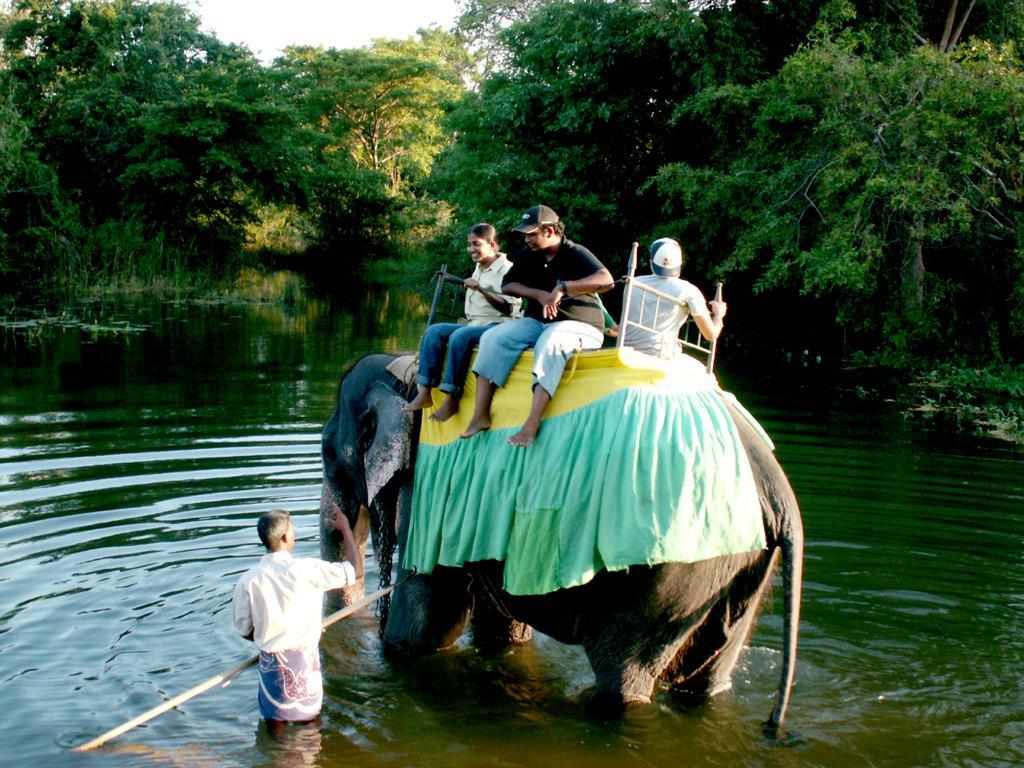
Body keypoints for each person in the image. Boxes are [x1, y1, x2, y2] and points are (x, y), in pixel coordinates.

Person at [461, 204, 614, 447]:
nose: (528, 239)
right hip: (537, 321)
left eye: (533, 234)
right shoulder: (527, 254)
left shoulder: (574, 251)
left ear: (550, 231)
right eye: (526, 234)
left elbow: (606, 280)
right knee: (492, 338)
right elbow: (508, 286)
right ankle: (481, 415)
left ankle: (531, 424)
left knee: (550, 341)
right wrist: (540, 295)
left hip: (579, 324)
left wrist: (563, 288)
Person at [232, 504, 364, 724]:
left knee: (275, 727)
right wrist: (346, 530)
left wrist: (268, 634)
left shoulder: (248, 579)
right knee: (311, 725)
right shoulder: (309, 570)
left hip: (271, 668)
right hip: (305, 665)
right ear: (285, 537)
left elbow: (244, 629)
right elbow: (356, 571)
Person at [403, 223, 522, 422]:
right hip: (474, 323)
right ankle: (424, 393)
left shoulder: (507, 269)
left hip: (498, 326)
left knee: (460, 336)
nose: (471, 249)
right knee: (434, 331)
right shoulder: (480, 266)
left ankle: (452, 398)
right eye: (468, 245)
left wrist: (481, 289)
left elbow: (509, 308)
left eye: (476, 244)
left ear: (492, 245)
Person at [621, 237, 726, 358]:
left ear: (651, 262)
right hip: (662, 354)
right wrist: (718, 316)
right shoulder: (688, 290)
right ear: (680, 263)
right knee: (708, 374)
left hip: (626, 349)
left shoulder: (632, 283)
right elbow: (711, 335)